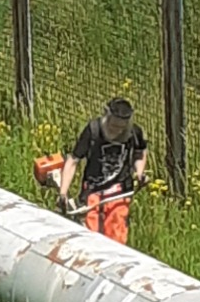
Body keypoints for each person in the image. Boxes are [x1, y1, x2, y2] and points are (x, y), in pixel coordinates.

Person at [56, 96, 147, 244]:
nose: (116, 131)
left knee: (117, 236)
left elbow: (140, 153)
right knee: (91, 236)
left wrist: (140, 172)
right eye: (113, 127)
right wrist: (63, 193)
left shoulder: (134, 132)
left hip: (120, 193)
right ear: (106, 117)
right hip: (93, 192)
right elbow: (73, 160)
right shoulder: (93, 130)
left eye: (121, 128)